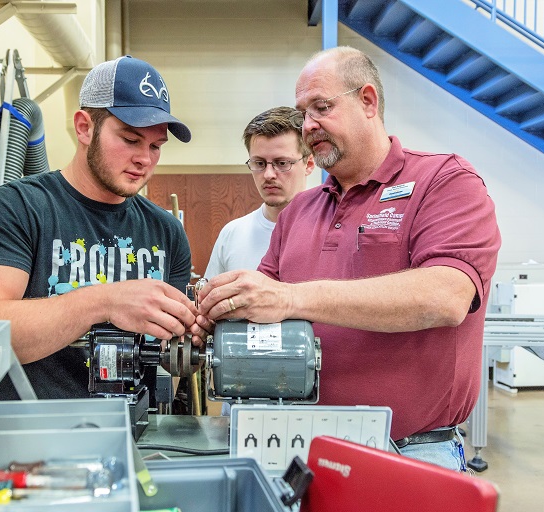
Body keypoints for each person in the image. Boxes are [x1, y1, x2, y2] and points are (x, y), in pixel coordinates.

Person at [196, 46, 501, 471]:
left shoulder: (444, 182)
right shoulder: (300, 211)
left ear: (368, 101)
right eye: (303, 113)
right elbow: (259, 306)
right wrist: (211, 315)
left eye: (321, 107)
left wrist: (289, 299)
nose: (308, 125)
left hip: (407, 453)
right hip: (299, 448)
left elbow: (446, 295)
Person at [0, 55, 205, 402]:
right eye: (130, 140)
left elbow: (173, 360)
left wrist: (197, 340)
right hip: (32, 438)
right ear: (85, 127)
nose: (145, 159)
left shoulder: (166, 231)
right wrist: (103, 302)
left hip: (130, 434)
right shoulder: (15, 208)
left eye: (155, 146)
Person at [203, 106, 314, 279]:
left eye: (282, 163)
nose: (269, 175)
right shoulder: (232, 234)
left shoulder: (328, 231)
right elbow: (210, 302)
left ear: (309, 164)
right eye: (259, 163)